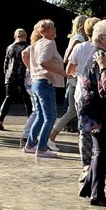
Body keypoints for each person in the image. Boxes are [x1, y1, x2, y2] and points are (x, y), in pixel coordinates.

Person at [78, 20, 106, 207]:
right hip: (98, 112)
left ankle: (89, 186)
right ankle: (96, 193)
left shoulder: (96, 53)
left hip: (90, 110)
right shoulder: (102, 56)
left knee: (102, 149)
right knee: (104, 150)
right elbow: (105, 88)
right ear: (102, 38)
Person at [23, 19, 68, 158]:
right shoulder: (49, 43)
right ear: (47, 30)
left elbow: (24, 54)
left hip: (36, 82)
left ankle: (30, 144)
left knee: (41, 115)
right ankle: (41, 148)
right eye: (53, 28)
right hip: (44, 82)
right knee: (50, 117)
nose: (55, 30)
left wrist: (31, 70)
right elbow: (43, 62)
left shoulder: (36, 43)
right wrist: (62, 72)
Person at [66, 17, 100, 181]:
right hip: (99, 92)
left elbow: (69, 69)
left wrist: (78, 75)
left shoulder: (79, 47)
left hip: (82, 91)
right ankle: (96, 163)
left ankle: (86, 165)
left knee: (84, 131)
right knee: (99, 130)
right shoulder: (103, 48)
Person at [47, 15, 87, 149]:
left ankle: (52, 135)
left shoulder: (75, 38)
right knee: (76, 110)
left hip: (73, 78)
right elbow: (68, 58)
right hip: (76, 77)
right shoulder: (79, 39)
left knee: (72, 110)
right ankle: (52, 136)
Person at [0, 28, 31, 130]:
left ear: (15, 36)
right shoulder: (28, 47)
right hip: (24, 76)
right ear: (25, 36)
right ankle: (30, 122)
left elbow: (5, 63)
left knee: (8, 98)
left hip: (10, 76)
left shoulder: (9, 47)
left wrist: (6, 75)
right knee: (27, 100)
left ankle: (0, 120)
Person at [20, 29, 42, 146]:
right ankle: (27, 135)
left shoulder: (32, 47)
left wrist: (29, 67)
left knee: (36, 110)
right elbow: (23, 54)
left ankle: (28, 134)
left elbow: (24, 54)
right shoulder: (36, 47)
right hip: (33, 79)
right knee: (37, 111)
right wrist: (32, 68)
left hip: (30, 79)